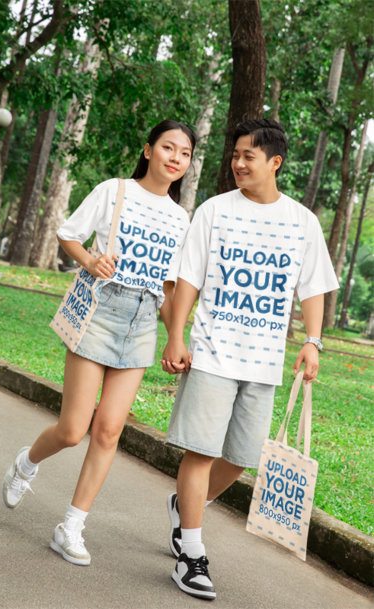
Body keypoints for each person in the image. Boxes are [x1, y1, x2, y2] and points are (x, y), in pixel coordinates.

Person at [2, 119, 196, 566]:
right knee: (73, 429)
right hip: (99, 310)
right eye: (168, 148)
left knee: (109, 430)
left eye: (184, 153)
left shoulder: (179, 218)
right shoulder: (115, 190)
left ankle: (71, 526)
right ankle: (26, 462)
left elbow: (168, 289)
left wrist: (175, 337)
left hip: (142, 320)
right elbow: (68, 233)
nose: (175, 158)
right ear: (148, 150)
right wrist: (91, 260)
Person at [161, 119, 339, 601]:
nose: (238, 163)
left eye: (248, 157)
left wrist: (313, 341)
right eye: (235, 155)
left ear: (274, 163)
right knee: (200, 450)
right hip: (213, 353)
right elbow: (189, 278)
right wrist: (176, 334)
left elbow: (314, 286)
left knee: (240, 458)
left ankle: (186, 507)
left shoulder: (302, 221)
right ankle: (191, 552)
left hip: (263, 363)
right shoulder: (215, 211)